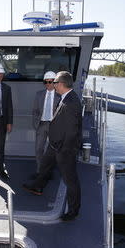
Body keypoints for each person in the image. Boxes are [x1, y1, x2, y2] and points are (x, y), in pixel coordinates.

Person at [23, 71, 82, 221]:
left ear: (61, 84)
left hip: (63, 149)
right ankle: (37, 185)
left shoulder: (71, 103)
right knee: (44, 165)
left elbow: (71, 132)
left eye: (54, 82)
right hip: (54, 145)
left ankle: (73, 211)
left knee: (70, 180)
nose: (53, 85)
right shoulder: (65, 98)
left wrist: (63, 150)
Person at [32, 71, 61, 174]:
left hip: (54, 126)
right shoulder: (39, 94)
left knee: (53, 150)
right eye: (46, 82)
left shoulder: (60, 96)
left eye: (51, 82)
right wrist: (36, 124)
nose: (48, 84)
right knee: (39, 149)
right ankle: (40, 171)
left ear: (55, 82)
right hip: (42, 125)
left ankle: (49, 170)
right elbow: (35, 111)